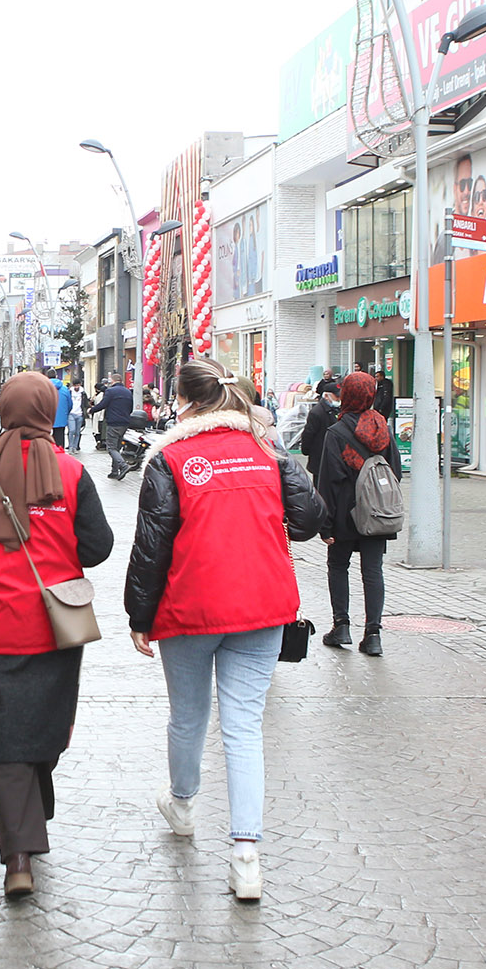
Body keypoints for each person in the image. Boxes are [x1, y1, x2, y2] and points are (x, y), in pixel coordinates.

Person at [124, 358, 321, 902]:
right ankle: (246, 857)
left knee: (188, 717)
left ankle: (183, 804)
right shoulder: (269, 451)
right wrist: (278, 452)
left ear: (183, 401)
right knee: (243, 727)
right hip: (262, 607)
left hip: (189, 609)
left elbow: (151, 547)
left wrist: (140, 616)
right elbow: (308, 521)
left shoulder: (169, 458)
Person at [0, 372, 112, 897]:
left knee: (3, 737)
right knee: (42, 725)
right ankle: (24, 838)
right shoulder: (71, 473)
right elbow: (98, 546)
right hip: (54, 627)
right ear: (48, 410)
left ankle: (19, 850)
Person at [315, 372, 401, 657]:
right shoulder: (382, 428)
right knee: (373, 570)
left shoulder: (337, 432)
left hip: (344, 514)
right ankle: (373, 634)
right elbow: (395, 472)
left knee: (338, 566)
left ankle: (341, 626)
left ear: (346, 395)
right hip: (376, 512)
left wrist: (325, 525)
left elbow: (328, 482)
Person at [95, 374, 136, 480]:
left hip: (113, 423)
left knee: (111, 448)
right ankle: (114, 471)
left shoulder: (110, 391)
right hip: (125, 423)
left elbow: (103, 404)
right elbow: (130, 407)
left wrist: (92, 409)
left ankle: (123, 465)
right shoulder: (128, 391)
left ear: (112, 381)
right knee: (117, 448)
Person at [301, 384, 340, 483]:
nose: (339, 399)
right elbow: (308, 434)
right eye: (337, 396)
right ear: (326, 396)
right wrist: (306, 450)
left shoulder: (336, 410)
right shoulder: (317, 412)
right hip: (320, 458)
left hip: (333, 459)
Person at [49, 374, 72, 447]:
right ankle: (60, 454)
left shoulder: (43, 388)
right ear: (56, 376)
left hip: (46, 418)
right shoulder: (65, 389)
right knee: (60, 438)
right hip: (61, 417)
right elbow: (70, 404)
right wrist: (65, 413)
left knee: (45, 438)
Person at [66, 380, 88, 452]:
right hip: (71, 413)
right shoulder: (69, 392)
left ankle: (75, 447)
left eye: (78, 385)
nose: (76, 387)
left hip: (80, 414)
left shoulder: (83, 393)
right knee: (72, 430)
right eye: (75, 385)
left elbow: (85, 404)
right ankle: (70, 446)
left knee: (77, 432)